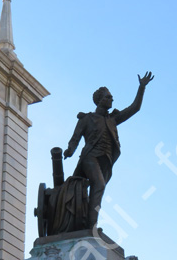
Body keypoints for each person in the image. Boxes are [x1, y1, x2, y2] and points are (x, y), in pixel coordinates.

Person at [63, 72, 154, 228]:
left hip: (106, 160)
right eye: (108, 97)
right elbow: (75, 138)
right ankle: (91, 225)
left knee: (97, 190)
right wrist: (70, 150)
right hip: (90, 157)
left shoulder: (112, 119)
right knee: (99, 185)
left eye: (111, 97)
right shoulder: (87, 119)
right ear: (100, 100)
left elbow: (135, 108)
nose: (112, 99)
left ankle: (86, 221)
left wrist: (141, 87)